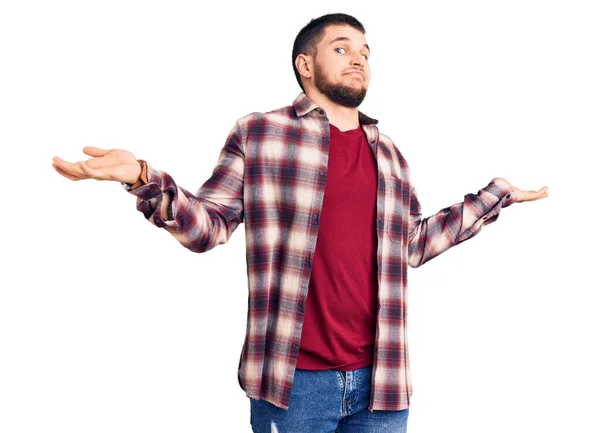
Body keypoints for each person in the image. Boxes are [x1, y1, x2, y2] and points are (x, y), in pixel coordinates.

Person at [51, 12, 549, 433]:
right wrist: (142, 177)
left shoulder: (391, 154)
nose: (359, 58)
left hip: (383, 382)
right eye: (342, 48)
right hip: (294, 385)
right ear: (305, 65)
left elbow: (412, 244)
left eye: (365, 51)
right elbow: (208, 227)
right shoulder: (261, 133)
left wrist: (493, 196)